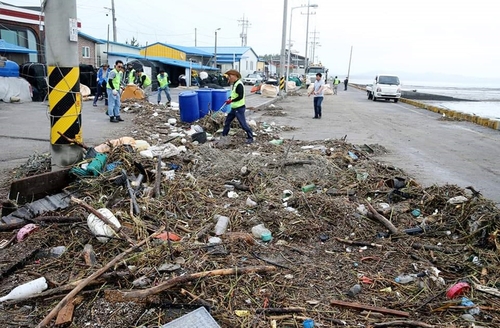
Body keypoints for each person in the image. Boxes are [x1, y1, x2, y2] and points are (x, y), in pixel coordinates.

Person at [222, 69, 254, 144]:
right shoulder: (235, 84)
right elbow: (234, 94)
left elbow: (240, 96)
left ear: (235, 76)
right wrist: (230, 98)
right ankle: (224, 136)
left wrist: (231, 101)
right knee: (227, 122)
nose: (229, 78)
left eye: (230, 76)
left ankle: (250, 137)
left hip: (239, 108)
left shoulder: (239, 84)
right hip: (234, 108)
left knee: (243, 124)